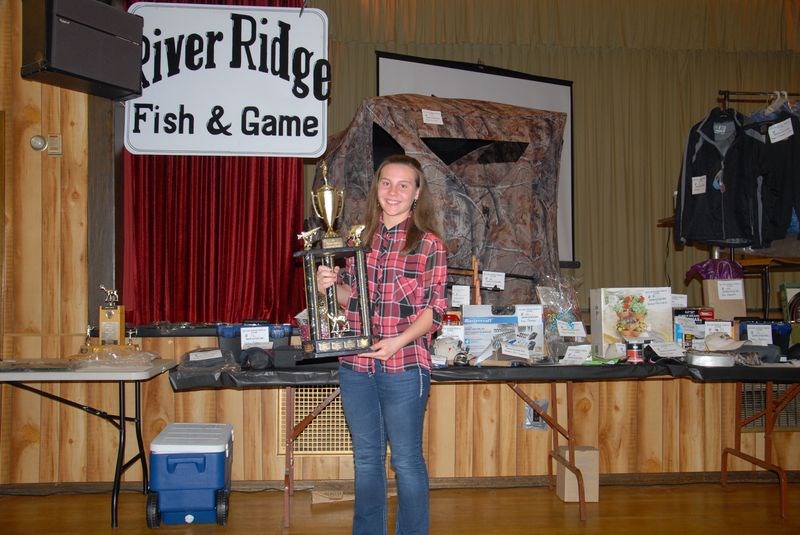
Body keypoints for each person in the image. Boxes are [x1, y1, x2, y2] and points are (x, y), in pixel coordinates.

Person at [316, 154, 448, 535]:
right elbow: (350, 300)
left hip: (404, 367)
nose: (393, 191)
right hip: (356, 367)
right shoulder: (360, 239)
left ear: (417, 193)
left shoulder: (428, 245)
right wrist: (330, 285)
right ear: (377, 188)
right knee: (367, 460)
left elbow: (434, 312)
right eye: (386, 183)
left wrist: (396, 342)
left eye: (403, 184)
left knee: (406, 461)